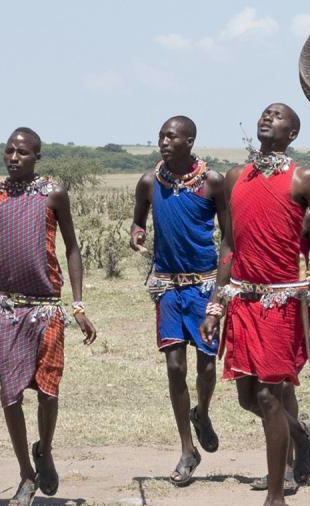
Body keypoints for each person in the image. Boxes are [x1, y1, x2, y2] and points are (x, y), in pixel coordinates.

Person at [200, 103, 310, 506]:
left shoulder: (304, 179)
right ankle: (299, 433)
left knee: (267, 396)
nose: (268, 118)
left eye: (278, 116)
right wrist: (215, 305)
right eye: (265, 113)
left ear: (292, 133)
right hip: (241, 300)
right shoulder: (234, 178)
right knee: (247, 398)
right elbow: (229, 244)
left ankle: (276, 499)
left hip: (283, 302)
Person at [0, 127, 98, 506]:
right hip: (4, 309)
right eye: (9, 151)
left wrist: (79, 304)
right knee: (10, 395)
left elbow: (72, 247)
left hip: (46, 306)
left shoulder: (53, 194)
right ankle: (25, 474)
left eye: (22, 152)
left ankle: (46, 449)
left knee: (48, 390)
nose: (13, 157)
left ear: (37, 157)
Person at [130, 116, 226, 485]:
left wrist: (220, 291)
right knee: (174, 367)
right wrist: (138, 232)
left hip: (203, 286)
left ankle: (201, 412)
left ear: (190, 141)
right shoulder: (150, 181)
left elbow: (229, 238)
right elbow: (138, 220)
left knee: (205, 367)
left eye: (172, 136)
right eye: (161, 135)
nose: (164, 141)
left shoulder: (211, 183)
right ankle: (187, 450)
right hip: (168, 286)